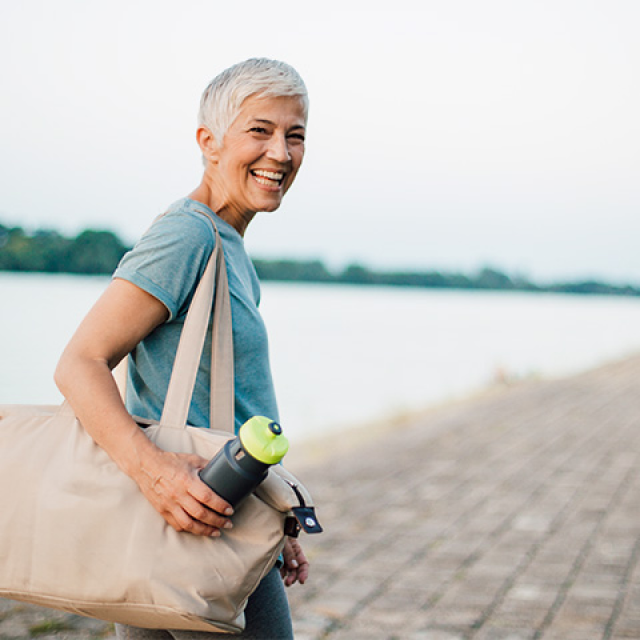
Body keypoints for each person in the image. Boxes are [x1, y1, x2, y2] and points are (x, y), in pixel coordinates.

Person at [54, 58, 310, 640]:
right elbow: (79, 364)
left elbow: (225, 408)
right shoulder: (188, 235)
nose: (281, 153)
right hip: (200, 525)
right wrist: (155, 475)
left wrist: (275, 519)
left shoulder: (229, 250)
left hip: (196, 524)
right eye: (260, 130)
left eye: (295, 135)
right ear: (209, 142)